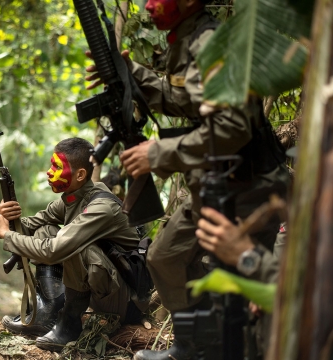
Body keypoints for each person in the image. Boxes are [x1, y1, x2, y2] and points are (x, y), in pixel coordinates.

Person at [86, 0, 289, 359]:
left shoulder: (211, 42)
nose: (149, 5)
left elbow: (232, 128)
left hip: (249, 187)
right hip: (216, 184)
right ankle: (193, 345)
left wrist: (158, 153)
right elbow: (182, 98)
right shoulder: (190, 39)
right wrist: (130, 72)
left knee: (234, 285)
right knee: (164, 256)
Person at [0, 137, 149, 352]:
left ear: (80, 174)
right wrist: (2, 220)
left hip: (126, 302)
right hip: (105, 287)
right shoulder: (73, 198)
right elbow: (30, 226)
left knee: (72, 244)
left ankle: (69, 325)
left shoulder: (102, 206)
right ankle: (47, 315)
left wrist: (7, 235)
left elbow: (54, 250)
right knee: (46, 231)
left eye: (56, 166)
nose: (48, 171)